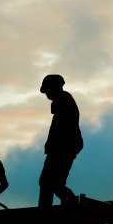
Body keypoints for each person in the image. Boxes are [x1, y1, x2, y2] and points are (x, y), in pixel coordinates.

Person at [39, 74, 82, 207]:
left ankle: (48, 211)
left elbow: (60, 129)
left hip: (63, 148)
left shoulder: (63, 101)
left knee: (49, 182)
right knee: (52, 183)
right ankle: (69, 204)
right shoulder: (63, 100)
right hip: (63, 147)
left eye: (47, 91)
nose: (46, 95)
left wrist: (52, 146)